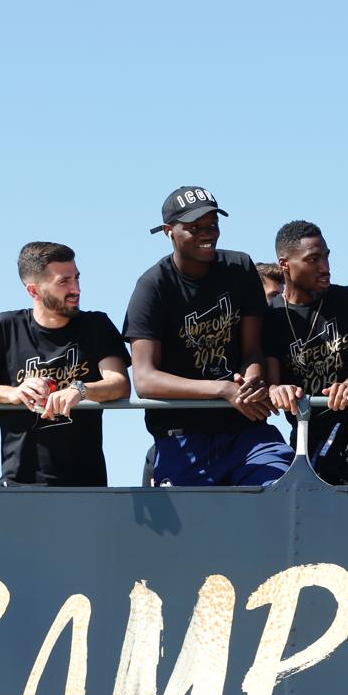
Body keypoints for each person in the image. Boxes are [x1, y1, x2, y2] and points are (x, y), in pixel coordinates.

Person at [124, 186, 292, 486]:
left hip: (246, 430)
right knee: (193, 527)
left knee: (284, 490)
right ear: (169, 232)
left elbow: (252, 349)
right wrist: (222, 389)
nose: (207, 234)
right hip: (182, 437)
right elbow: (145, 380)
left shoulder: (240, 267)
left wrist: (249, 382)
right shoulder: (152, 286)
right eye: (194, 228)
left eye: (212, 225)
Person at [0, 242, 131, 486]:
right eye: (64, 282)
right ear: (34, 291)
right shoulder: (7, 326)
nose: (76, 289)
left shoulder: (97, 325)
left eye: (77, 278)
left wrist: (80, 390)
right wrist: (13, 393)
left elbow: (119, 384)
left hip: (85, 482)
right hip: (20, 483)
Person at [264, 220, 348, 484]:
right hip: (308, 438)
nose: (325, 268)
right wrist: (277, 390)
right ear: (285, 264)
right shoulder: (270, 314)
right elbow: (273, 381)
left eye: (326, 257)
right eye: (313, 259)